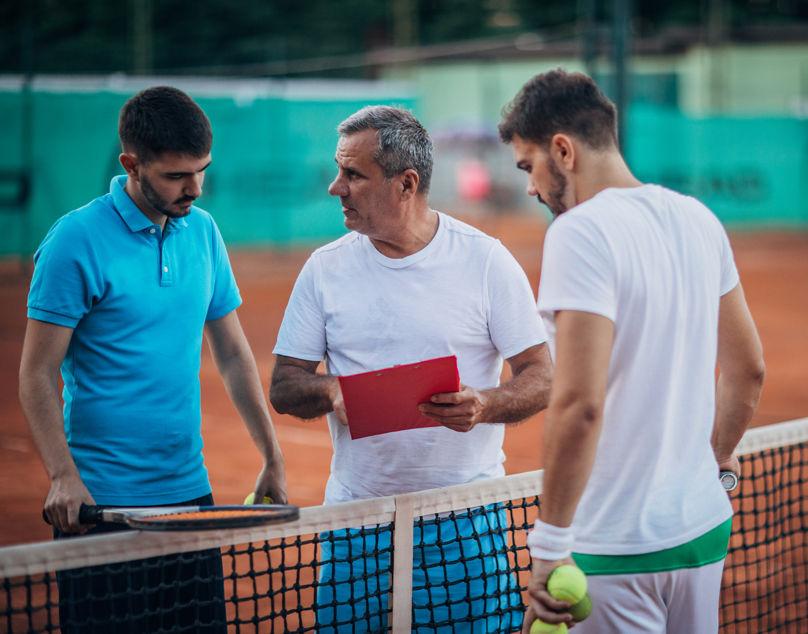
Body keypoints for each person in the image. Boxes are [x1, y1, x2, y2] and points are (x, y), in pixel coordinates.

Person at [498, 69, 766, 633]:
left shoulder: (579, 232)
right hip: (702, 532)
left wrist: (549, 544)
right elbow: (748, 370)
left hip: (613, 547)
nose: (530, 187)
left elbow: (578, 404)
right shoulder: (699, 219)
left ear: (563, 151)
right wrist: (712, 458)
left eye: (529, 166)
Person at [269, 105, 553, 632]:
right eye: (339, 171)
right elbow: (285, 385)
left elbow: (542, 374)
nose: (336, 187)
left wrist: (486, 404)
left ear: (406, 183)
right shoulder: (324, 268)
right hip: (356, 523)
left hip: (467, 520)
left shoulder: (485, 261)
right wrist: (334, 392)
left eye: (353, 174)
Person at [18, 85, 288, 633]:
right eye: (176, 176)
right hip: (102, 506)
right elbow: (37, 372)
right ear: (131, 165)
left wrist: (272, 455)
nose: (194, 188)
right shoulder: (75, 240)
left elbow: (233, 353)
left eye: (202, 171)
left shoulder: (204, 232)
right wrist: (63, 477)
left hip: (190, 496)